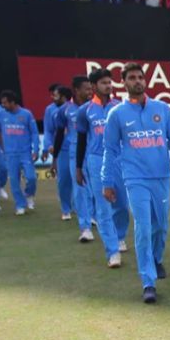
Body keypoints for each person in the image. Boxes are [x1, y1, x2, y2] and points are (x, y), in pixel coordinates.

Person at [102, 63, 170, 304]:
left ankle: (156, 258)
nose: (137, 81)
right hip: (134, 178)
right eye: (132, 78)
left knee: (160, 225)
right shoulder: (116, 114)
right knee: (142, 226)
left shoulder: (161, 109)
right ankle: (147, 281)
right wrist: (106, 180)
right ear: (124, 82)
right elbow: (109, 150)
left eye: (140, 77)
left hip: (160, 176)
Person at [78, 68, 127, 268]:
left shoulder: (119, 107)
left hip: (118, 160)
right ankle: (112, 251)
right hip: (96, 160)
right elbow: (82, 140)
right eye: (104, 83)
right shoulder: (85, 111)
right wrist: (78, 168)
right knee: (103, 207)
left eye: (110, 82)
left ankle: (120, 235)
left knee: (122, 204)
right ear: (94, 86)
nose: (108, 86)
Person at [0, 90, 39, 215]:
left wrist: (36, 149)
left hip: (25, 152)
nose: (3, 105)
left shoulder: (26, 114)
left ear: (13, 102)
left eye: (5, 103)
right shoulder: (1, 115)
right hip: (10, 154)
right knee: (14, 181)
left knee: (31, 178)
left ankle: (29, 194)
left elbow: (34, 133)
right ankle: (20, 205)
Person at [64, 75, 94, 242]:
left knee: (97, 189)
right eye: (87, 89)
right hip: (75, 153)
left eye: (91, 88)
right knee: (80, 189)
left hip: (95, 152)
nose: (90, 91)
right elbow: (59, 132)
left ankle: (94, 216)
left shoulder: (95, 108)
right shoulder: (66, 110)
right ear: (76, 90)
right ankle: (85, 228)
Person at [42, 83, 74, 220]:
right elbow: (48, 130)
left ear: (63, 96)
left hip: (77, 148)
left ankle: (83, 209)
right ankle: (66, 209)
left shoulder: (76, 108)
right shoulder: (50, 110)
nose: (53, 97)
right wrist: (48, 145)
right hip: (62, 150)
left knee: (82, 181)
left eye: (55, 95)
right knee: (64, 181)